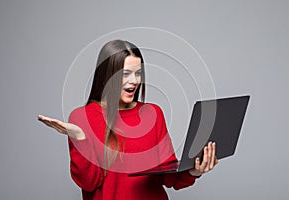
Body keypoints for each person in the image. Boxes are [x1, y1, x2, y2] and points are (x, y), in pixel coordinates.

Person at [38, 40, 218, 200]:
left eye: (138, 73)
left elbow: (169, 177)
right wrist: (79, 137)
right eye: (125, 74)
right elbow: (88, 183)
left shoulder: (152, 113)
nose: (134, 81)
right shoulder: (81, 118)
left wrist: (195, 171)